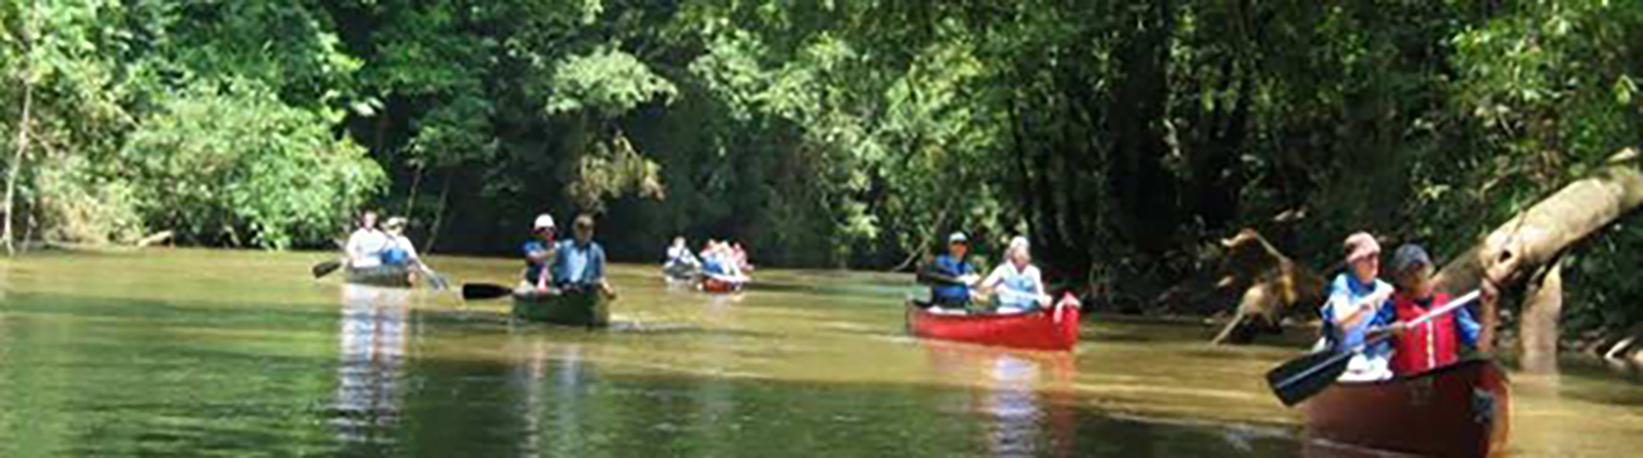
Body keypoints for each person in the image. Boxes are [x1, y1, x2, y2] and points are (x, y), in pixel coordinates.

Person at [1385, 243, 1489, 376]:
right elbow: (1369, 337)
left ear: (1430, 268)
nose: (1416, 275)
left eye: (1419, 268)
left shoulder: (1450, 305)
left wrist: (1488, 308)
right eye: (1408, 271)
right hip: (1408, 384)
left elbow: (1482, 344)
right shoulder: (1392, 306)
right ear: (1400, 278)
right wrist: (1389, 330)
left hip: (1445, 382)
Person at [1319, 232, 1397, 381]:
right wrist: (1368, 303)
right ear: (1354, 262)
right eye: (1368, 257)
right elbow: (1342, 322)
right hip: (1347, 355)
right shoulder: (1342, 284)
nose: (1374, 262)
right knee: (1358, 364)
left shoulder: (1385, 288)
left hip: (1379, 356)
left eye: (1376, 256)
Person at [977, 236, 1052, 312]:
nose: (1022, 254)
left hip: (1028, 311)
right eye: (1018, 251)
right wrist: (995, 289)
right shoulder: (1003, 269)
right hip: (1007, 310)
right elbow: (983, 287)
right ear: (1012, 253)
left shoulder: (1034, 271)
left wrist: (1044, 300)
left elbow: (1040, 292)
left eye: (1024, 251)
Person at [553, 214, 613, 295]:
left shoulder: (596, 250)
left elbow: (600, 274)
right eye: (581, 229)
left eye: (588, 229)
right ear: (575, 230)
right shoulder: (565, 247)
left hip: (586, 285)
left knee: (596, 285)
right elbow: (556, 268)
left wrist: (605, 286)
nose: (585, 233)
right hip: (566, 285)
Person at [918, 232, 981, 308]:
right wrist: (959, 280)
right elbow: (933, 275)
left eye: (963, 243)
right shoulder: (941, 260)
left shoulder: (967, 266)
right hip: (940, 299)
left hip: (962, 301)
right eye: (955, 243)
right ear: (949, 246)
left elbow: (974, 282)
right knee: (959, 291)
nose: (959, 246)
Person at [520, 214, 557, 292]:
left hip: (550, 281)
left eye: (550, 229)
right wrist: (553, 252)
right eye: (543, 229)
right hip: (532, 281)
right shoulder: (530, 246)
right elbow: (535, 258)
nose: (547, 231)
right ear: (537, 232)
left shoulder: (558, 246)